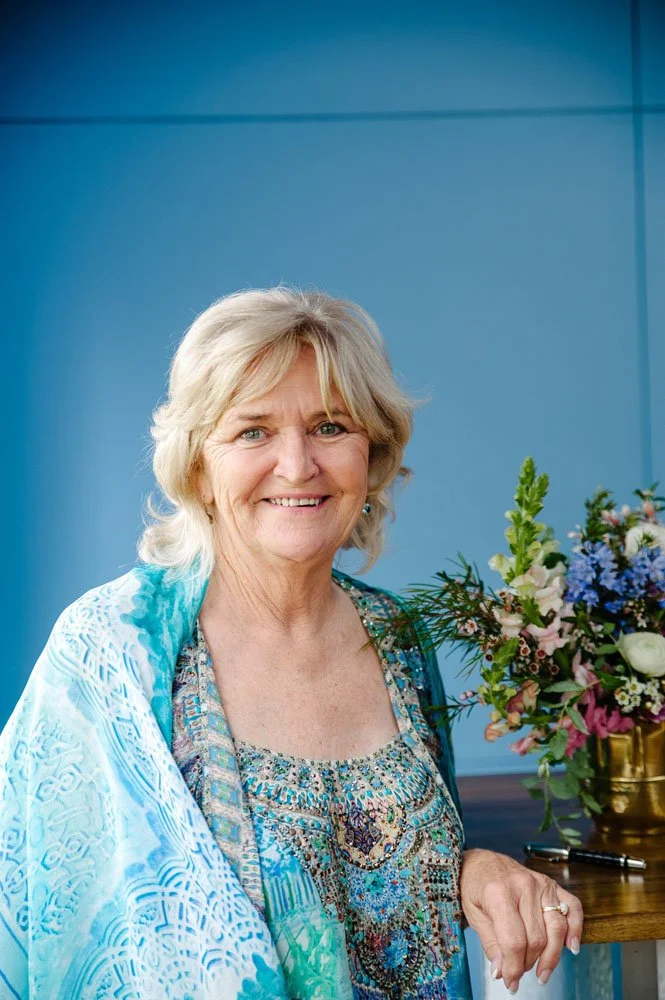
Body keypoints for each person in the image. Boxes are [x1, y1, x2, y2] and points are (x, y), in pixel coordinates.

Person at [0, 287, 582, 998]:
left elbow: (395, 872)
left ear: (371, 456)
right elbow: (38, 915)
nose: (298, 464)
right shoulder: (110, 651)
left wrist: (472, 868)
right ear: (198, 468)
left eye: (330, 426)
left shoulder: (398, 637)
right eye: (253, 432)